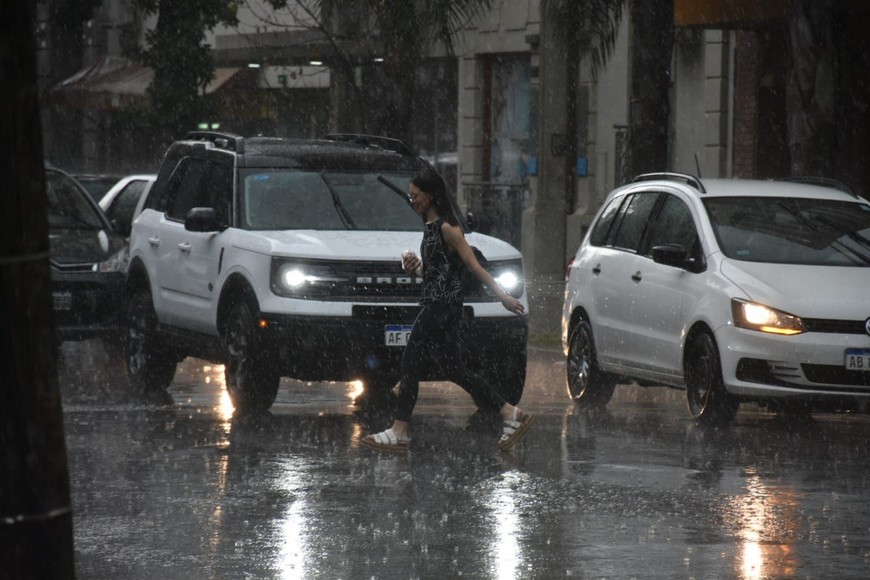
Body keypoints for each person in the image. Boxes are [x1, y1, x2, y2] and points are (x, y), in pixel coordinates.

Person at [360, 168, 534, 454]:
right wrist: (415, 268)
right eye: (410, 195)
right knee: (456, 370)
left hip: (442, 309)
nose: (412, 200)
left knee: (409, 363)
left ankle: (400, 431)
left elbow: (474, 266)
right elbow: (438, 274)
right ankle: (511, 414)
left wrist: (503, 296)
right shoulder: (429, 229)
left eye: (415, 196)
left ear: (430, 196)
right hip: (438, 305)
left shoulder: (448, 228)